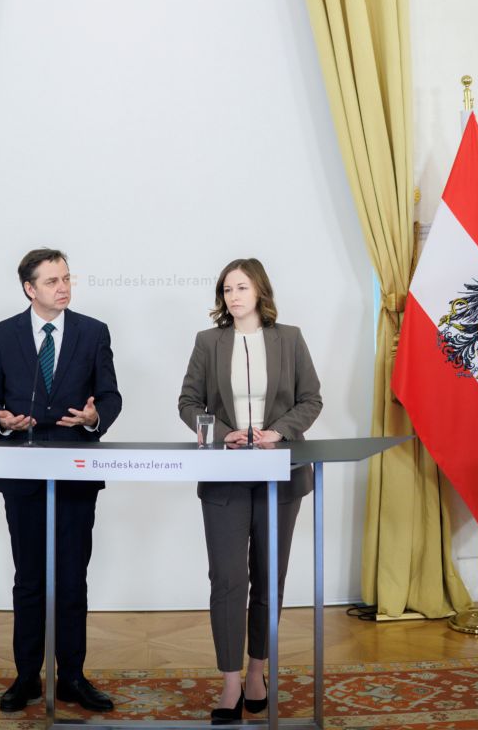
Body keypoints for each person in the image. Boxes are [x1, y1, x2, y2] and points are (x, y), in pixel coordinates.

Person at [0, 248, 122, 714]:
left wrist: (96, 417)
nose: (64, 287)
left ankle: (72, 678)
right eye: (53, 280)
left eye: (67, 278)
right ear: (29, 288)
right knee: (30, 579)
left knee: (72, 579)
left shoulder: (93, 332)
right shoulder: (2, 335)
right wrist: (3, 423)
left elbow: (112, 396)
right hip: (22, 474)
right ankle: (26, 678)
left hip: (76, 474)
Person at [178, 258, 322, 726]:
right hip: (224, 473)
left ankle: (258, 672)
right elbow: (188, 402)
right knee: (227, 580)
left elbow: (311, 399)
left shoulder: (290, 339)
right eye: (226, 289)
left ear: (260, 291)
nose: (233, 296)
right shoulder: (208, 341)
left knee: (268, 575)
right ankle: (230, 682)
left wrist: (279, 432)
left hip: (280, 473)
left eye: (241, 287)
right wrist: (223, 432)